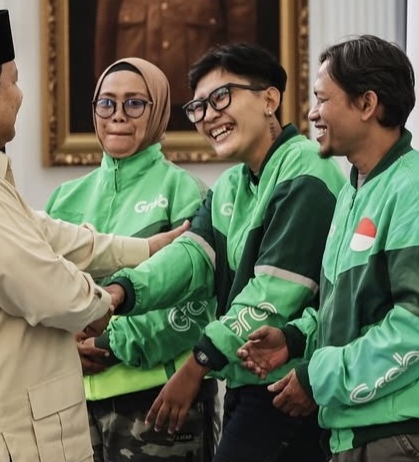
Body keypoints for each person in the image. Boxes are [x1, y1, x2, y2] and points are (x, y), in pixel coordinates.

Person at [0, 10, 188, 462]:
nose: (21, 96)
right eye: (14, 82)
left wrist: (142, 249)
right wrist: (108, 301)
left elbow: (39, 231)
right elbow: (52, 292)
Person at [237, 35, 419, 462]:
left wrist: (318, 377)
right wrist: (296, 340)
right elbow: (351, 312)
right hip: (361, 437)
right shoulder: (355, 194)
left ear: (367, 104)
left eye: (322, 99)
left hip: (405, 442)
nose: (312, 114)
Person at [102, 43, 347, 462]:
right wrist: (119, 292)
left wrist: (197, 363)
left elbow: (273, 294)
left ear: (270, 98)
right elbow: (190, 257)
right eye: (198, 107)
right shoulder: (233, 184)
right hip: (247, 381)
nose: (208, 115)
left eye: (221, 97)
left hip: (293, 387)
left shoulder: (306, 169)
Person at [46, 57, 218, 462]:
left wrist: (109, 343)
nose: (118, 116)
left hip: (158, 404)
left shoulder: (186, 191)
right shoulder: (63, 199)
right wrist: (63, 346)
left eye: (134, 103)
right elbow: (39, 290)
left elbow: (194, 304)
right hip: (70, 403)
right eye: (106, 103)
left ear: (157, 109)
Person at [94, 0, 258, 131]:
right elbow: (106, 22)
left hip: (200, 82)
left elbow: (240, 13)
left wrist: (239, 79)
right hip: (134, 82)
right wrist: (104, 87)